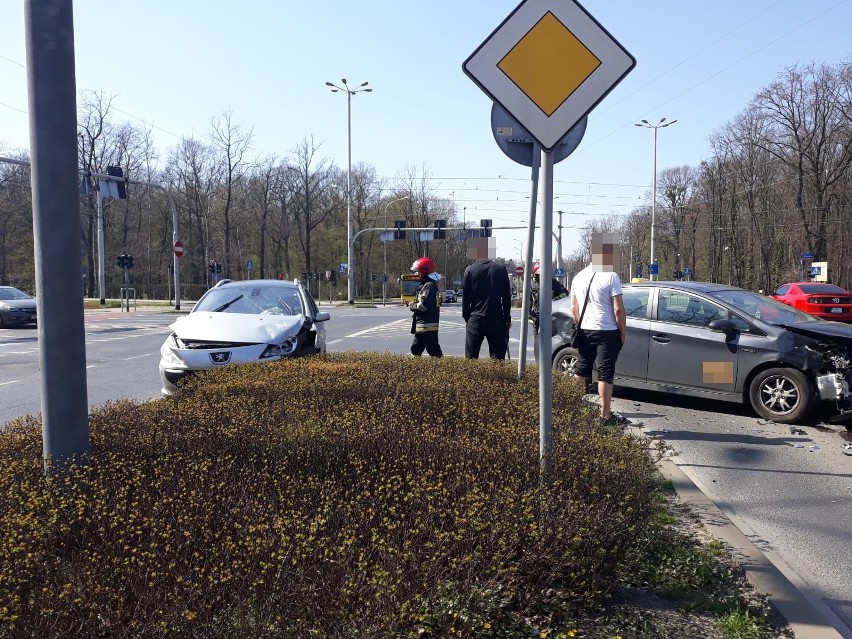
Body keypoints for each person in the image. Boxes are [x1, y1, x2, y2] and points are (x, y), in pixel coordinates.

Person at [569, 233, 627, 426]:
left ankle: (573, 408)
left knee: (582, 368)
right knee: (605, 372)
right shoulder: (611, 276)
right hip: (607, 330)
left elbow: (573, 308)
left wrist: (582, 323)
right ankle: (605, 415)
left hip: (585, 329)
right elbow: (618, 308)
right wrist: (622, 333)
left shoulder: (578, 277)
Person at [461, 238, 512, 359]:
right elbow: (506, 296)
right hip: (496, 319)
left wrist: (467, 317)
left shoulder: (470, 270)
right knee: (497, 359)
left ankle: (471, 378)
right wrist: (507, 318)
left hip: (475, 318)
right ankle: (497, 378)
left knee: (471, 359)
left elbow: (465, 298)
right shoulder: (500, 269)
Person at [529, 260, 569, 363]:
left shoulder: (554, 284)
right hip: (536, 318)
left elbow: (565, 296)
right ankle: (540, 363)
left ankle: (546, 362)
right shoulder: (531, 285)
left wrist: (553, 301)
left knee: (551, 340)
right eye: (539, 275)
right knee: (538, 341)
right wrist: (530, 317)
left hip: (551, 317)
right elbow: (528, 303)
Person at [408, 257, 443, 357]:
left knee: (433, 350)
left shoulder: (429, 286)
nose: (416, 274)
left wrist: (412, 305)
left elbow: (423, 305)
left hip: (427, 325)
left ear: (423, 271)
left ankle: (442, 369)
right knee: (416, 349)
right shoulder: (427, 285)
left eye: (417, 272)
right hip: (423, 325)